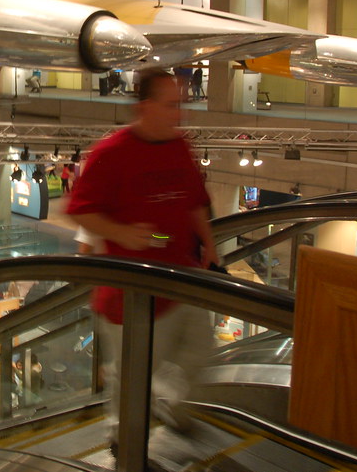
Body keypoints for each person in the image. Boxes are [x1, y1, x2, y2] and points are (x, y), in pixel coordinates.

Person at [66, 67, 218, 449]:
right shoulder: (112, 153)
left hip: (179, 269)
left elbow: (193, 203)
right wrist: (121, 234)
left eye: (179, 104)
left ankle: (173, 408)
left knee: (200, 351)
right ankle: (124, 441)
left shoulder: (179, 147)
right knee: (133, 375)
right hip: (133, 289)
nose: (177, 113)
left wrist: (208, 242)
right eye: (170, 105)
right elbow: (79, 209)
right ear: (145, 106)